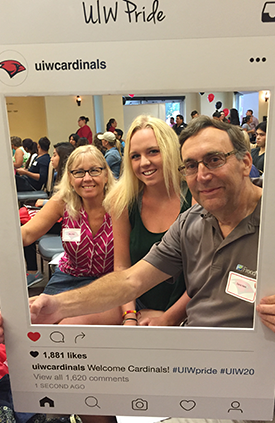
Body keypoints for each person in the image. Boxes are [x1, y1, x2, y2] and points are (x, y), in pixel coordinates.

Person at [28, 116, 275, 334]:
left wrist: (169, 317)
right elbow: (130, 279)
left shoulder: (214, 208)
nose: (202, 175)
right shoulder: (192, 221)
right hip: (190, 339)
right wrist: (57, 305)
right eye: (191, 165)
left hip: (250, 354)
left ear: (245, 163)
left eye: (214, 160)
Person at [104, 115, 192, 326]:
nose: (144, 162)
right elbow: (123, 267)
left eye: (153, 151)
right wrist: (130, 316)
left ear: (170, 150)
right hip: (138, 304)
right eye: (135, 156)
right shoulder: (123, 200)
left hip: (190, 308)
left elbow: (205, 276)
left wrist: (167, 318)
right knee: (72, 324)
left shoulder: (195, 194)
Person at [24, 145, 121, 327]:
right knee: (35, 320)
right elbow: (27, 233)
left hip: (109, 281)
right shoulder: (63, 201)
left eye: (94, 170)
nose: (87, 178)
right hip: (69, 277)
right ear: (69, 177)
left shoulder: (120, 203)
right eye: (78, 172)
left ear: (106, 174)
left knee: (70, 327)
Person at [23, 142, 75, 286]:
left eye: (55, 155)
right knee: (26, 226)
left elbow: (67, 204)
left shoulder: (71, 181)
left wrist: (46, 204)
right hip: (60, 220)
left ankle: (33, 272)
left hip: (64, 226)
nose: (51, 159)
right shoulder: (58, 175)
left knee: (27, 225)